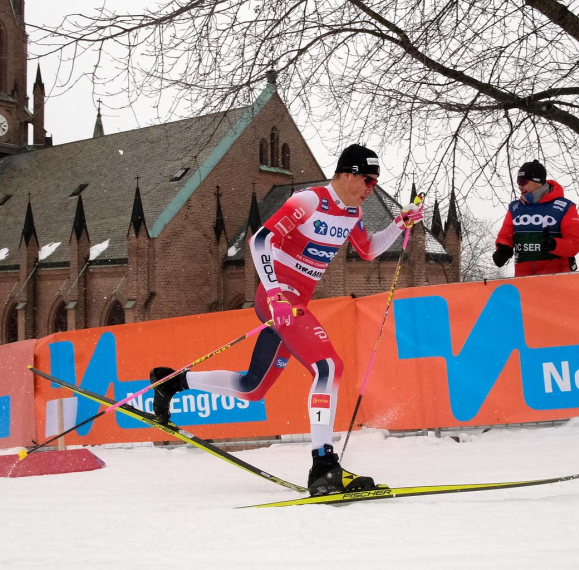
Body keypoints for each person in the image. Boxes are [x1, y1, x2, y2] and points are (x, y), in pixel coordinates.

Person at [149, 144, 424, 496]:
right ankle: (324, 465)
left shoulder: (352, 212)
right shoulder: (310, 200)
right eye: (368, 179)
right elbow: (260, 240)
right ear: (346, 174)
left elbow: (368, 250)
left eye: (375, 181)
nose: (371, 187)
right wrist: (276, 291)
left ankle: (171, 383)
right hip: (277, 298)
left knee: (253, 387)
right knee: (329, 367)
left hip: (293, 303)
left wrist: (399, 223)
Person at [493, 160, 579, 276]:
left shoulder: (564, 207)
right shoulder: (515, 208)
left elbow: (574, 244)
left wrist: (555, 245)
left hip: (557, 280)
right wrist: (503, 248)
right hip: (524, 280)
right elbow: (505, 236)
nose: (520, 186)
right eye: (518, 182)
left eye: (523, 181)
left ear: (538, 182)